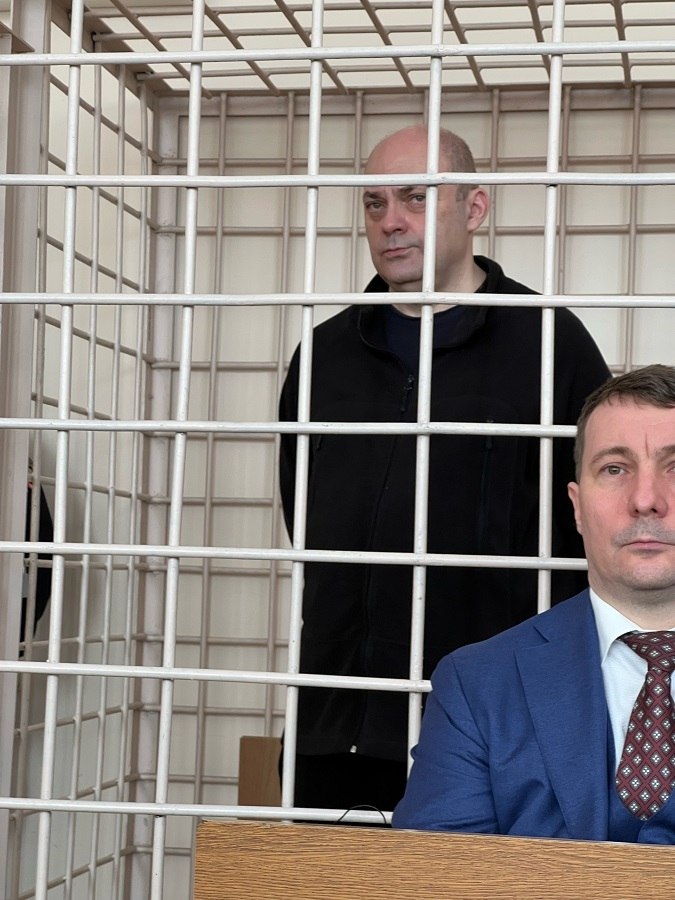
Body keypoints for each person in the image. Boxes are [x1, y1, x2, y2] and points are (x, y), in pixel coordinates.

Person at [278, 124, 610, 813]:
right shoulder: (324, 355)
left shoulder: (549, 343)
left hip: (501, 724)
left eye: (417, 197)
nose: (391, 221)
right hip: (336, 717)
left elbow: (592, 528)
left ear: (474, 208)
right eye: (375, 203)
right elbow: (303, 518)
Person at [393, 364, 675, 842]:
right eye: (614, 469)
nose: (645, 499)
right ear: (576, 507)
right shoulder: (477, 685)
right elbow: (436, 875)